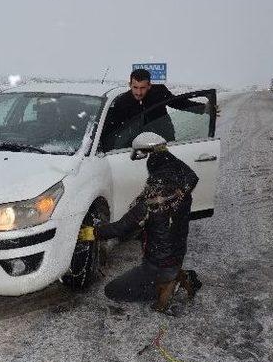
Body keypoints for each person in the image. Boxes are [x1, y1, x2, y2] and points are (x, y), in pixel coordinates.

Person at [78, 134, 203, 314]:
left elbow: (121, 228)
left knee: (112, 290)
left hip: (156, 265)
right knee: (163, 253)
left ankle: (169, 284)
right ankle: (177, 275)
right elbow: (190, 174)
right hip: (177, 254)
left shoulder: (150, 203)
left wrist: (93, 233)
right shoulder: (182, 188)